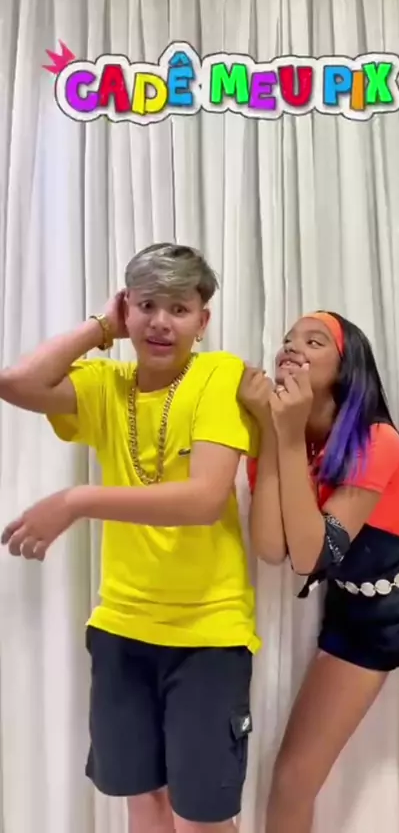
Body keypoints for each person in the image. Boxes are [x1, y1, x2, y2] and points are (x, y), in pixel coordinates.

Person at [0, 243, 259, 833]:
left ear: (202, 320)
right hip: (121, 628)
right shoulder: (106, 384)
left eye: (178, 308)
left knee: (203, 818)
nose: (161, 322)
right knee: (144, 803)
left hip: (207, 635)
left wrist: (76, 501)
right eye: (146, 306)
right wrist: (99, 328)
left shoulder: (218, 375)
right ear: (126, 309)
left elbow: (203, 500)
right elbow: (15, 383)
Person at [239, 310, 399, 833]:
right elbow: (273, 550)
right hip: (358, 614)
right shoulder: (282, 438)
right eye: (288, 339)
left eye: (314, 341)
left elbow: (313, 556)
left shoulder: (376, 440)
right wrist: (274, 435)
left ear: (347, 368)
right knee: (292, 781)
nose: (291, 347)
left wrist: (285, 436)